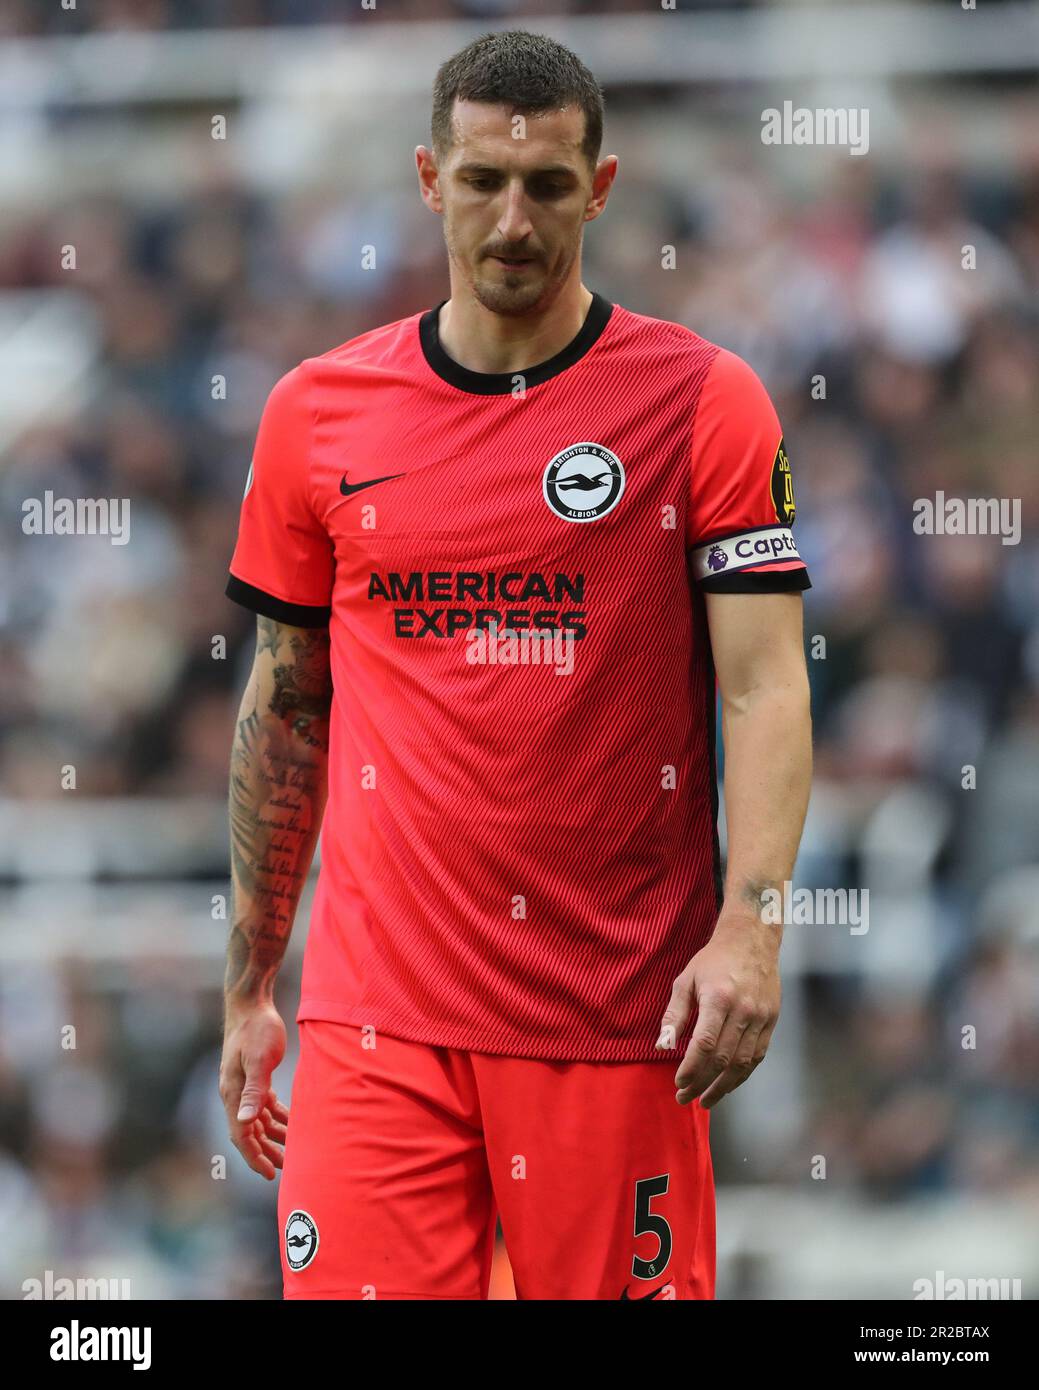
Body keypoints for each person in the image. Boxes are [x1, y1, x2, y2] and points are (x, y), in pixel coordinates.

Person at [219, 28, 812, 1301]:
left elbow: (765, 685)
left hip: (614, 1016)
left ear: (599, 189)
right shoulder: (316, 414)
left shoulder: (703, 402)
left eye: (546, 186)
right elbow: (287, 707)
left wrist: (751, 932)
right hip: (378, 1020)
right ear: (430, 178)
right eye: (482, 181)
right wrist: (250, 985)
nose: (511, 219)